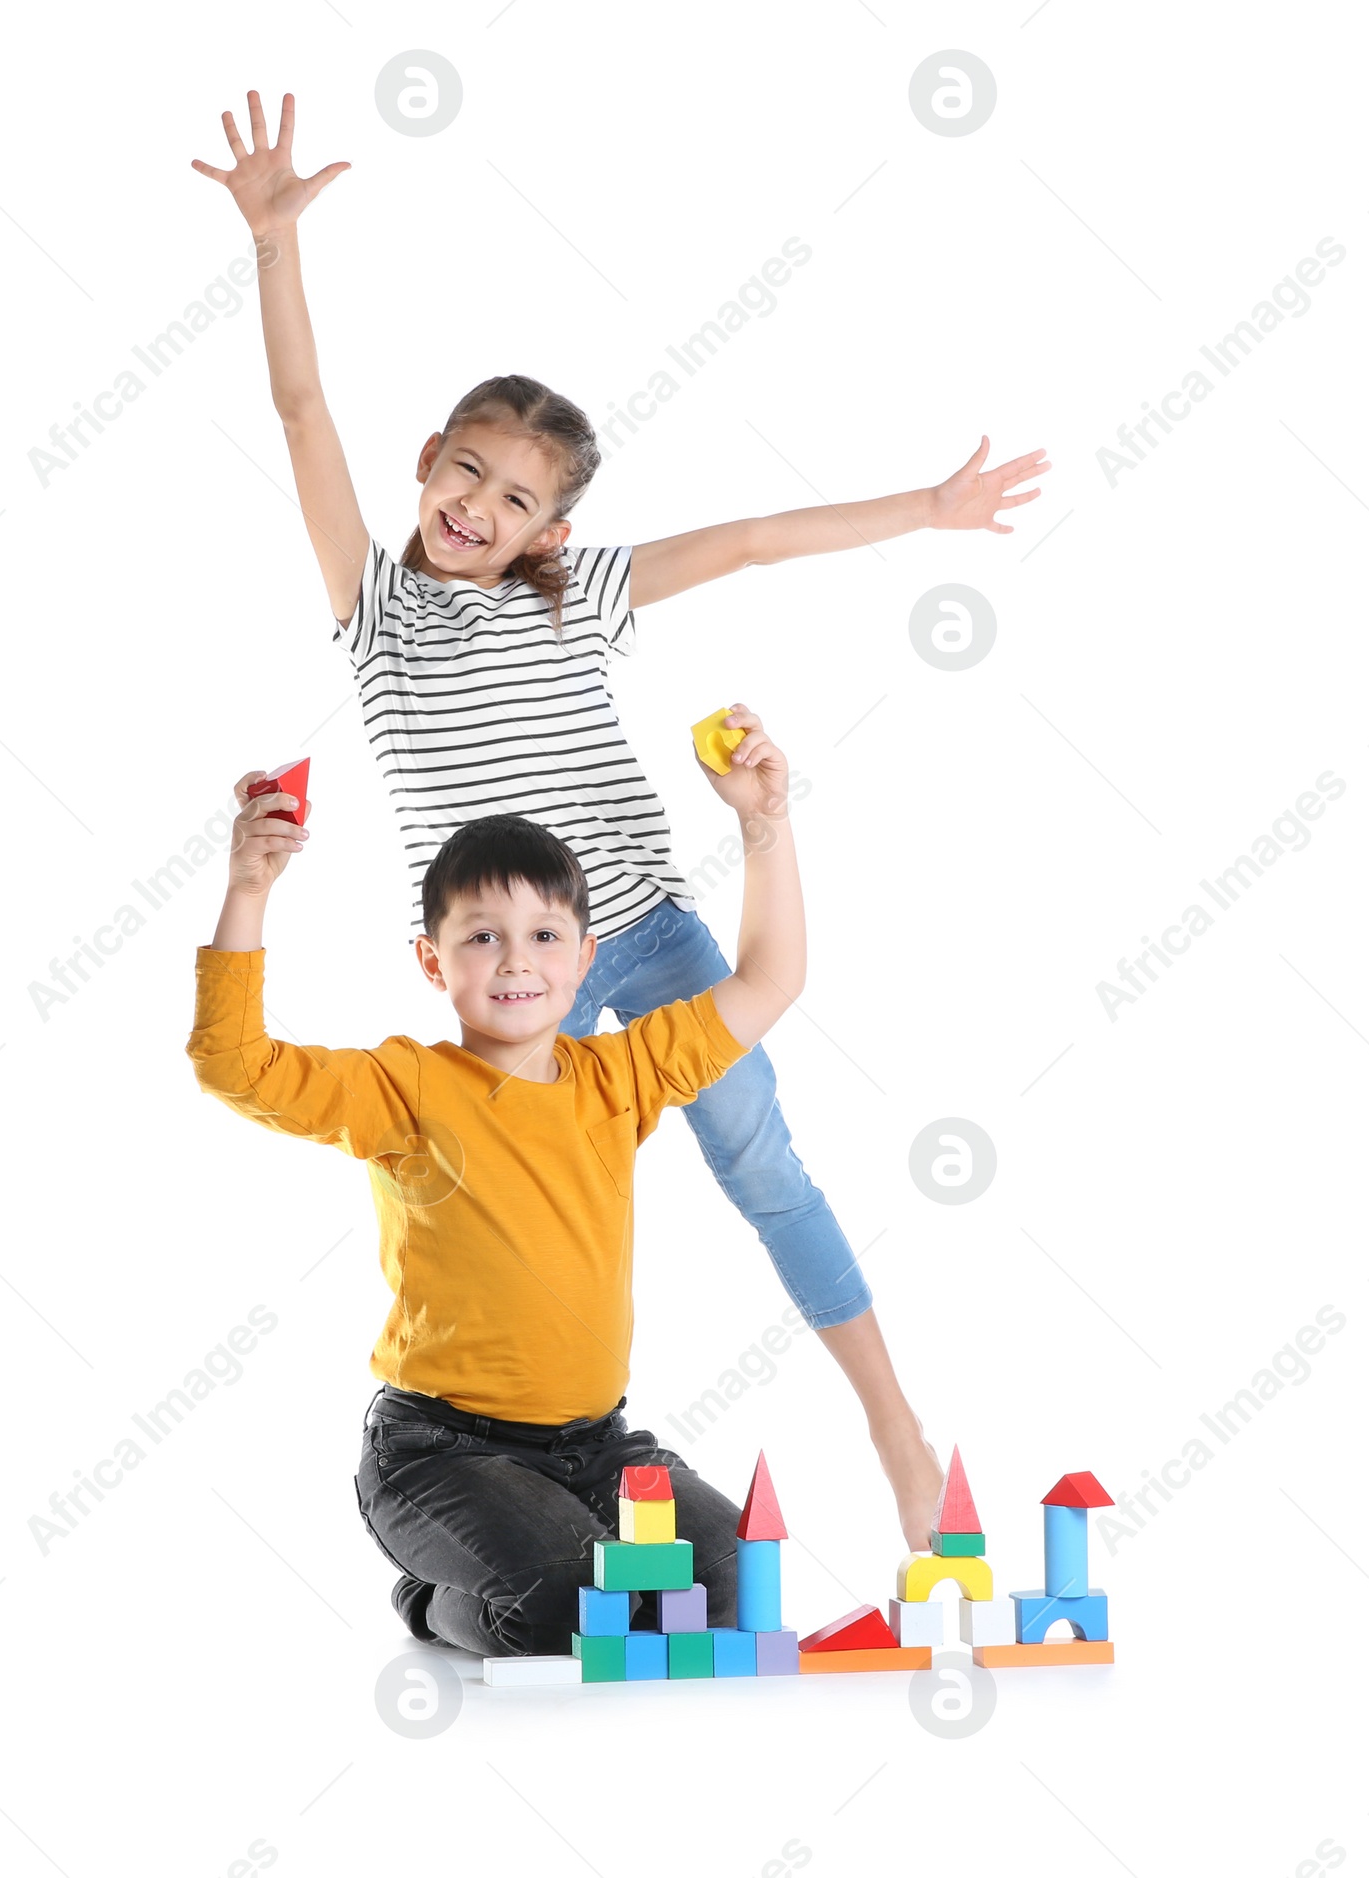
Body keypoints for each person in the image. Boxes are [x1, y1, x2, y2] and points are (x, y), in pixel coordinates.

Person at [192, 90, 1049, 1542]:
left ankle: (898, 1434)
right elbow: (299, 410)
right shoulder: (377, 612)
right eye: (465, 469)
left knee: (760, 1158)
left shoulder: (578, 599)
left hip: (639, 930)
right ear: (427, 463)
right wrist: (277, 246)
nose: (479, 504)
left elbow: (759, 542)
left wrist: (928, 507)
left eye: (518, 497)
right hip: (507, 974)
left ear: (551, 533)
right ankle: (487, 1463)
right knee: (505, 1203)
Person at [189, 709, 803, 1654]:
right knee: (569, 1600)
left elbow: (769, 980)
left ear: (586, 957)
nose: (517, 958)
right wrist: (247, 889)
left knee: (727, 1580)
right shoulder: (407, 1086)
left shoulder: (619, 1076)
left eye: (546, 934)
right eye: (482, 937)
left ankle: (566, 1548)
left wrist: (763, 826)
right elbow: (237, 1065)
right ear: (433, 961)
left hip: (597, 1448)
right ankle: (431, 1604)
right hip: (439, 1454)